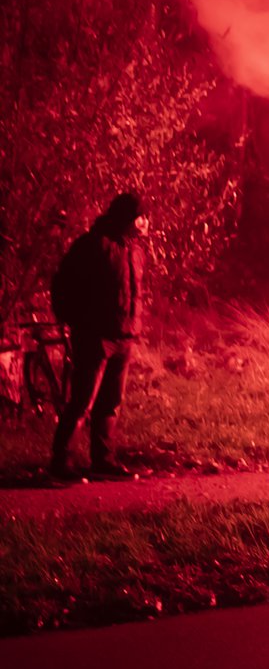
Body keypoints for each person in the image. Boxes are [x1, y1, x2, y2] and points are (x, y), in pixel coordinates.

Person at [49, 192, 149, 480]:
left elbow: (133, 292)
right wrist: (74, 322)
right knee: (83, 400)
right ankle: (61, 461)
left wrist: (134, 326)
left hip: (124, 336)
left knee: (110, 403)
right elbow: (64, 284)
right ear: (129, 218)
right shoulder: (92, 245)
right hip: (96, 337)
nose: (145, 222)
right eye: (141, 216)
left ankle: (103, 461)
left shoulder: (135, 250)